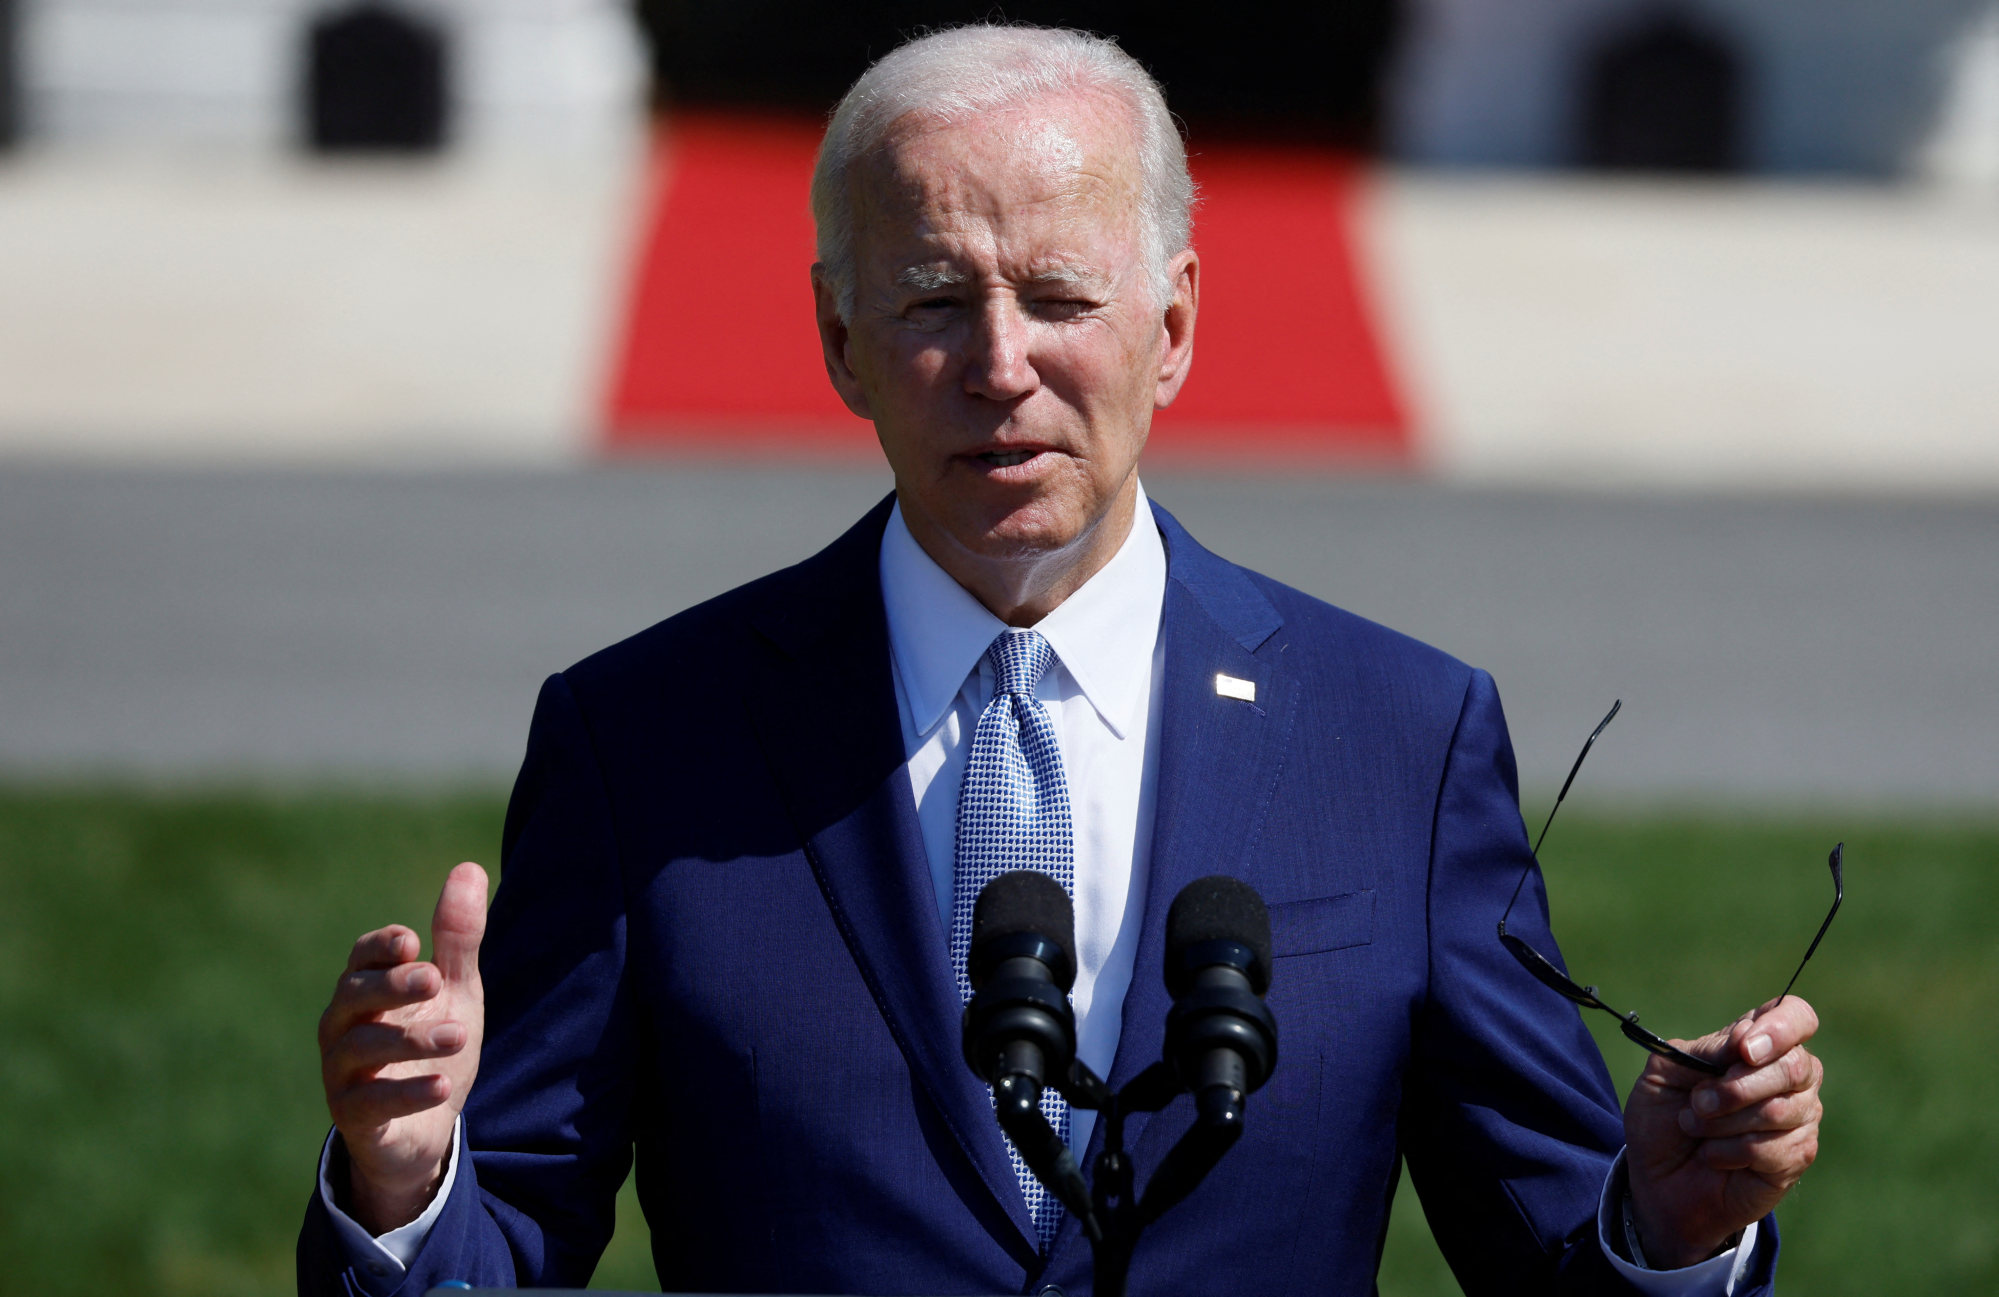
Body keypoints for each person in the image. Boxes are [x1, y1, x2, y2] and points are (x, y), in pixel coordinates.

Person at [302, 24, 1823, 1297]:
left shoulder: (1398, 738)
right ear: (838, 338)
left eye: (1061, 298)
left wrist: (1668, 1227)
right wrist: (407, 1178)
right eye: (935, 301)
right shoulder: (645, 743)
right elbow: (503, 1241)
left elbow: (1551, 1248)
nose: (1002, 365)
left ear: (1173, 327)